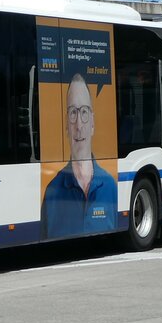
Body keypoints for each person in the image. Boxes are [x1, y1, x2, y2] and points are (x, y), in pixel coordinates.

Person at [41, 73, 117, 238]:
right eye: (73, 113)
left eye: (84, 112)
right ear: (66, 124)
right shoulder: (51, 193)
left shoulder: (111, 187)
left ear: (92, 123)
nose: (79, 125)